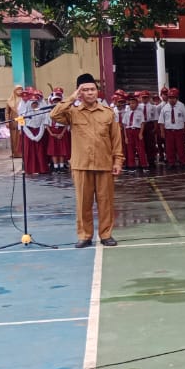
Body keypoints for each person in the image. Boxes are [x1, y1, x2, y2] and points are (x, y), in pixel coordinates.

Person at [52, 73, 124, 248]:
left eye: (92, 89)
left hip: (104, 163)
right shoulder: (72, 113)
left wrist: (118, 162)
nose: (90, 93)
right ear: (79, 92)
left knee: (105, 202)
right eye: (85, 90)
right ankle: (85, 235)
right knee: (83, 203)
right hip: (81, 165)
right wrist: (71, 98)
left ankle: (106, 234)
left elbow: (116, 140)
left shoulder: (107, 113)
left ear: (97, 92)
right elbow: (54, 115)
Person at [19, 90, 50, 175]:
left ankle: (42, 169)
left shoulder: (42, 112)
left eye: (36, 103)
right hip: (29, 133)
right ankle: (30, 169)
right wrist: (31, 136)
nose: (34, 105)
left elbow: (43, 123)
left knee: (40, 152)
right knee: (30, 152)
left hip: (39, 132)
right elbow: (23, 126)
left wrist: (39, 135)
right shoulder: (24, 113)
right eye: (32, 103)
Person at [159, 88, 185, 169]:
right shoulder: (165, 108)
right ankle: (171, 163)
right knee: (169, 148)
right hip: (169, 131)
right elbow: (161, 121)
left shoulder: (181, 106)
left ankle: (183, 163)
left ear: (177, 98)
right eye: (170, 98)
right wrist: (162, 132)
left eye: (173, 98)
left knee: (181, 148)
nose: (171, 100)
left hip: (179, 130)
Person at [119, 93, 149, 171]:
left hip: (137, 130)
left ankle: (143, 165)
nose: (132, 105)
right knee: (130, 149)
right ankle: (131, 165)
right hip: (129, 131)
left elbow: (142, 123)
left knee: (140, 148)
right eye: (130, 103)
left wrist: (141, 133)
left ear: (137, 104)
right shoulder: (127, 113)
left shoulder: (140, 112)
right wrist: (125, 137)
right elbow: (125, 125)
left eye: (133, 103)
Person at [7, 86, 23, 158]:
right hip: (13, 120)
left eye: (21, 89)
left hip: (22, 119)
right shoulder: (10, 100)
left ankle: (21, 152)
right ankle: (15, 152)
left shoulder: (24, 100)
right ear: (14, 91)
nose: (20, 91)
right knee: (14, 137)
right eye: (18, 90)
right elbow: (7, 112)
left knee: (21, 136)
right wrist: (7, 122)